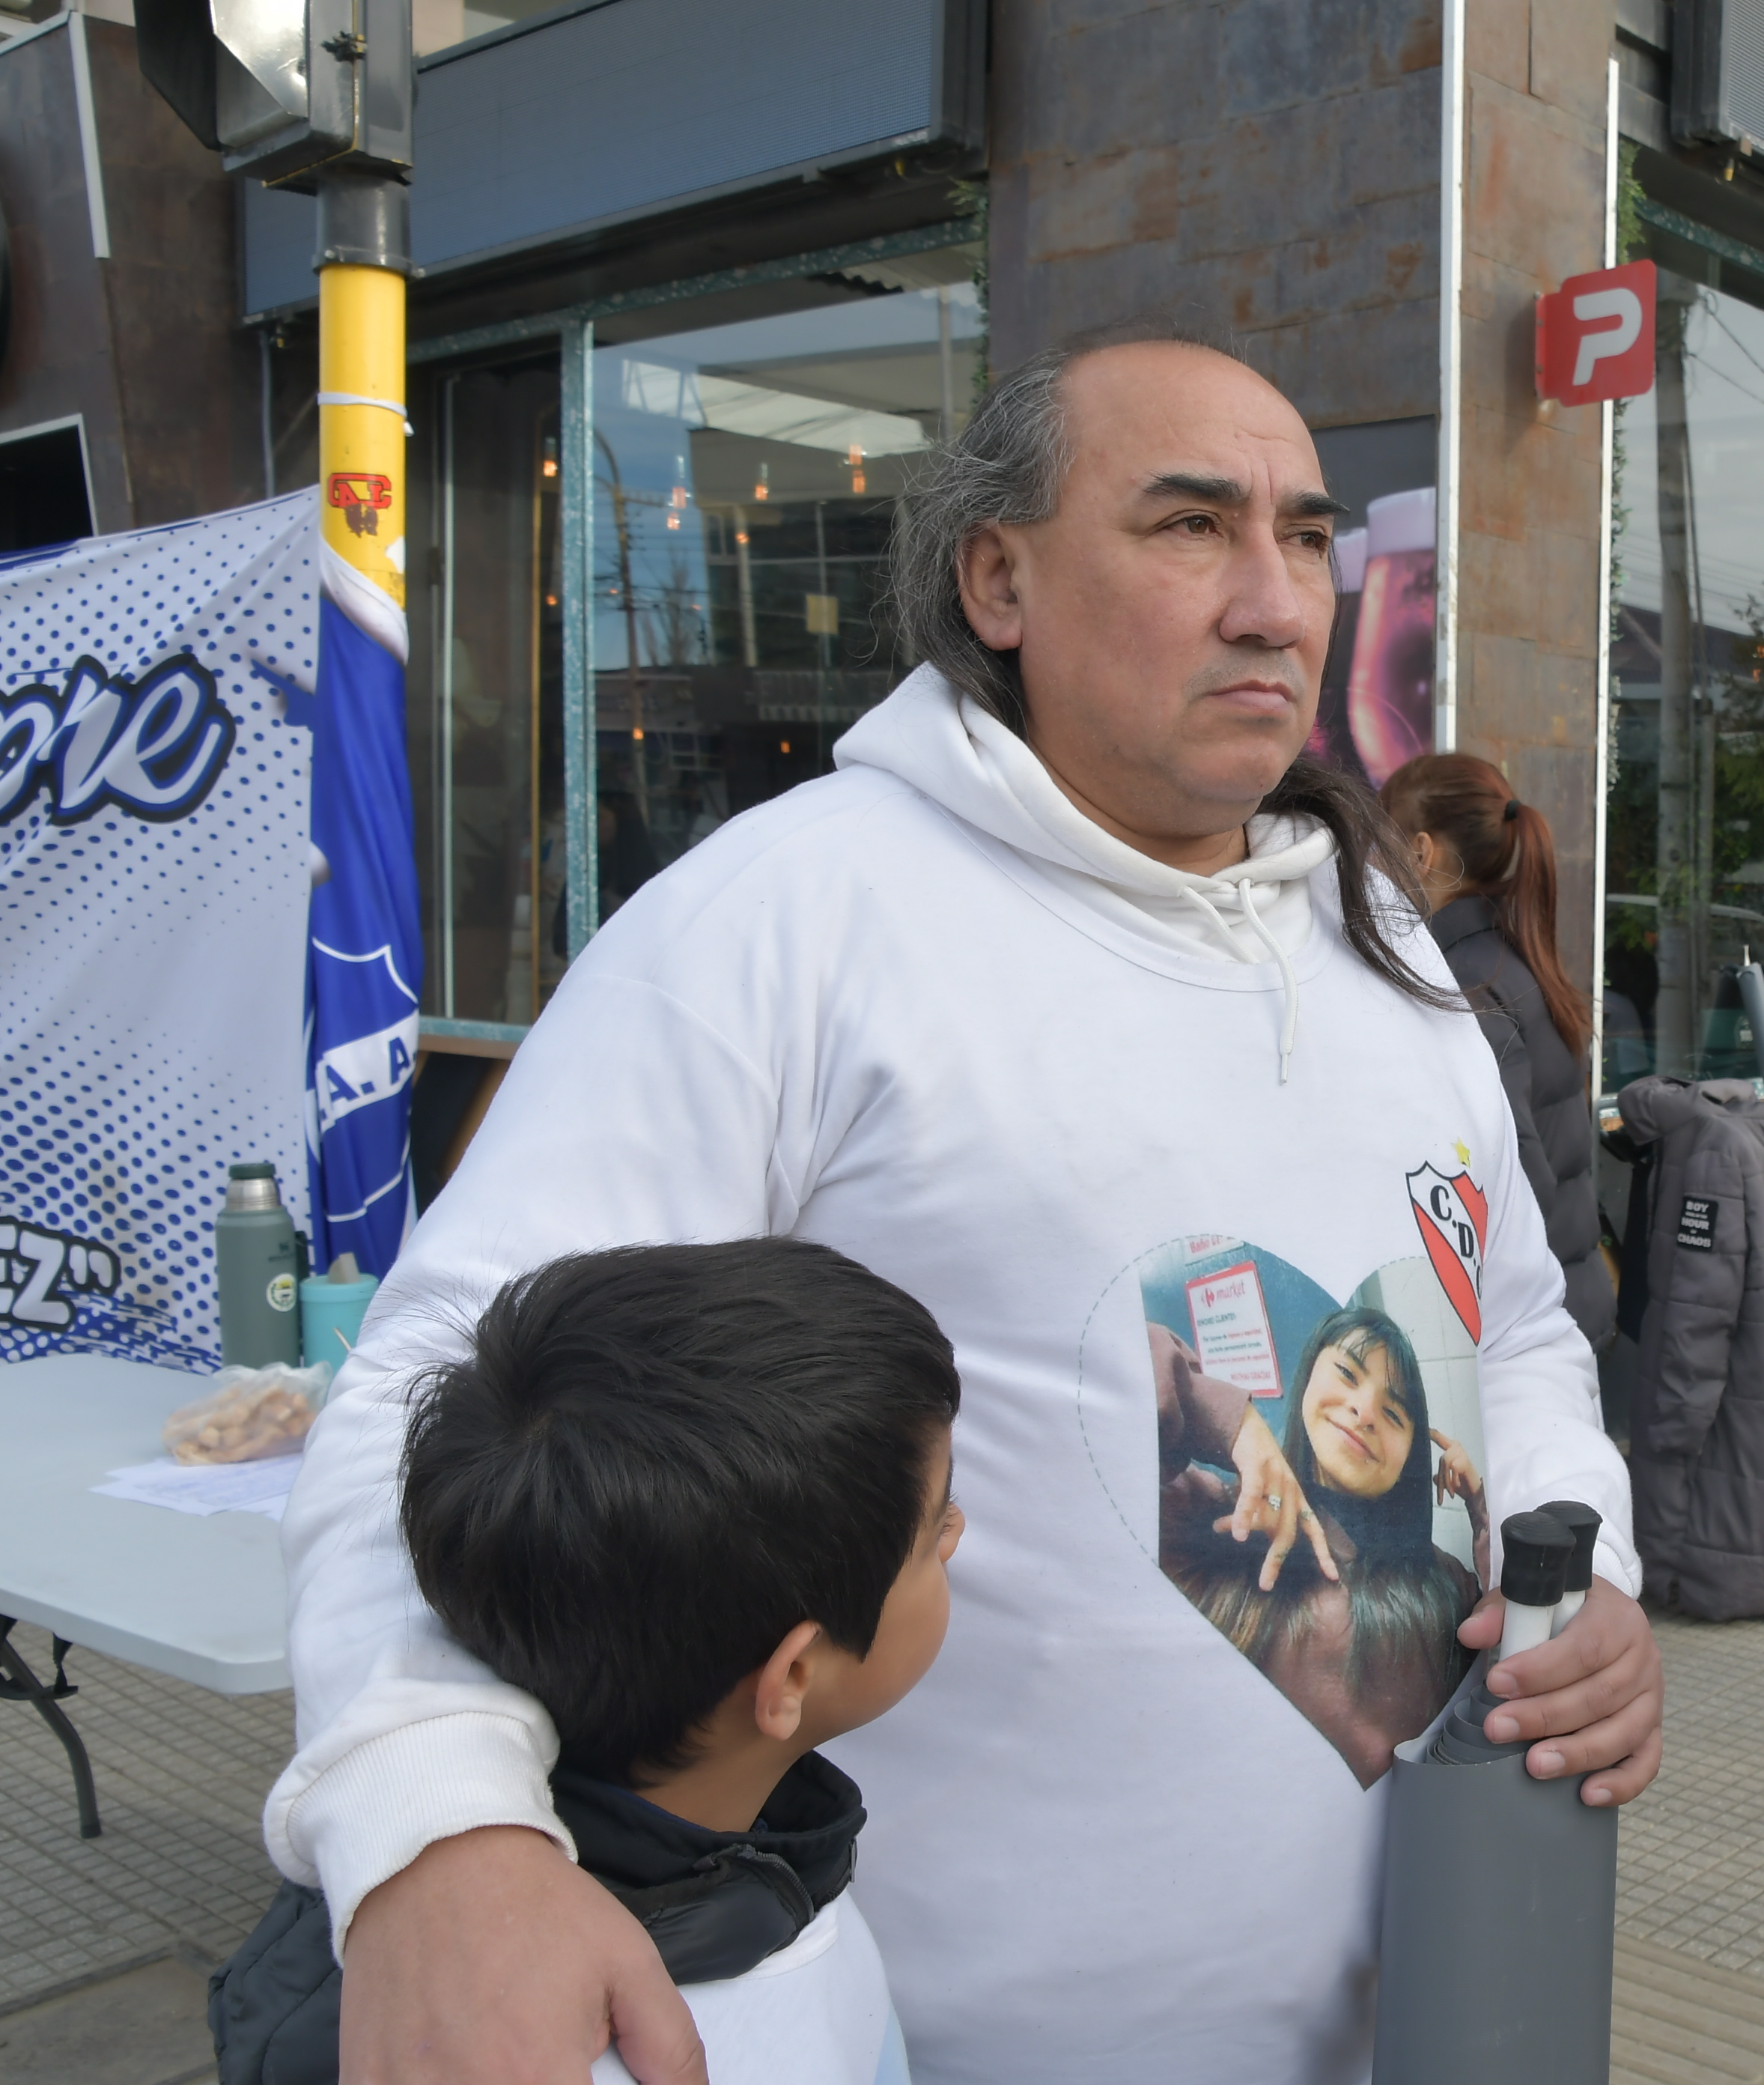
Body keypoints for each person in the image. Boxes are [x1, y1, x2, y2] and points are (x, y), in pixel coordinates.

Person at [270, 329, 1661, 2085]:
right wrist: (438, 1827)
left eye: (1307, 537)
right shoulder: (786, 923)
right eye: (1187, 526)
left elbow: (1514, 1325)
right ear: (994, 577)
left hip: (1432, 2004)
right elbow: (448, 1387)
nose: (1274, 602)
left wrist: (1579, 1563)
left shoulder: (1385, 948)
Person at [210, 1238, 966, 2085]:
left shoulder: (767, 1853)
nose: (958, 1534)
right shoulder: (621, 2046)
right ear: (790, 1678)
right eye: (934, 1531)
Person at [1155, 1304, 1492, 1783]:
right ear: (1309, 1374)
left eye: (1394, 1412)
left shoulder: (1446, 1583)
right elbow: (1099, 1374)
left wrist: (1481, 1511)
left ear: (1410, 1459)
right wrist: (1236, 1425)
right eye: (1346, 1373)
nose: (1365, 1410)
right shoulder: (1219, 1520)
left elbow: (1521, 1655)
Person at [1384, 753, 1613, 1347]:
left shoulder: (1466, 985)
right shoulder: (1511, 958)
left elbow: (1516, 1186)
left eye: (1379, 845)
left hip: (1528, 1331)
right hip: (1567, 1302)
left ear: (1420, 853)